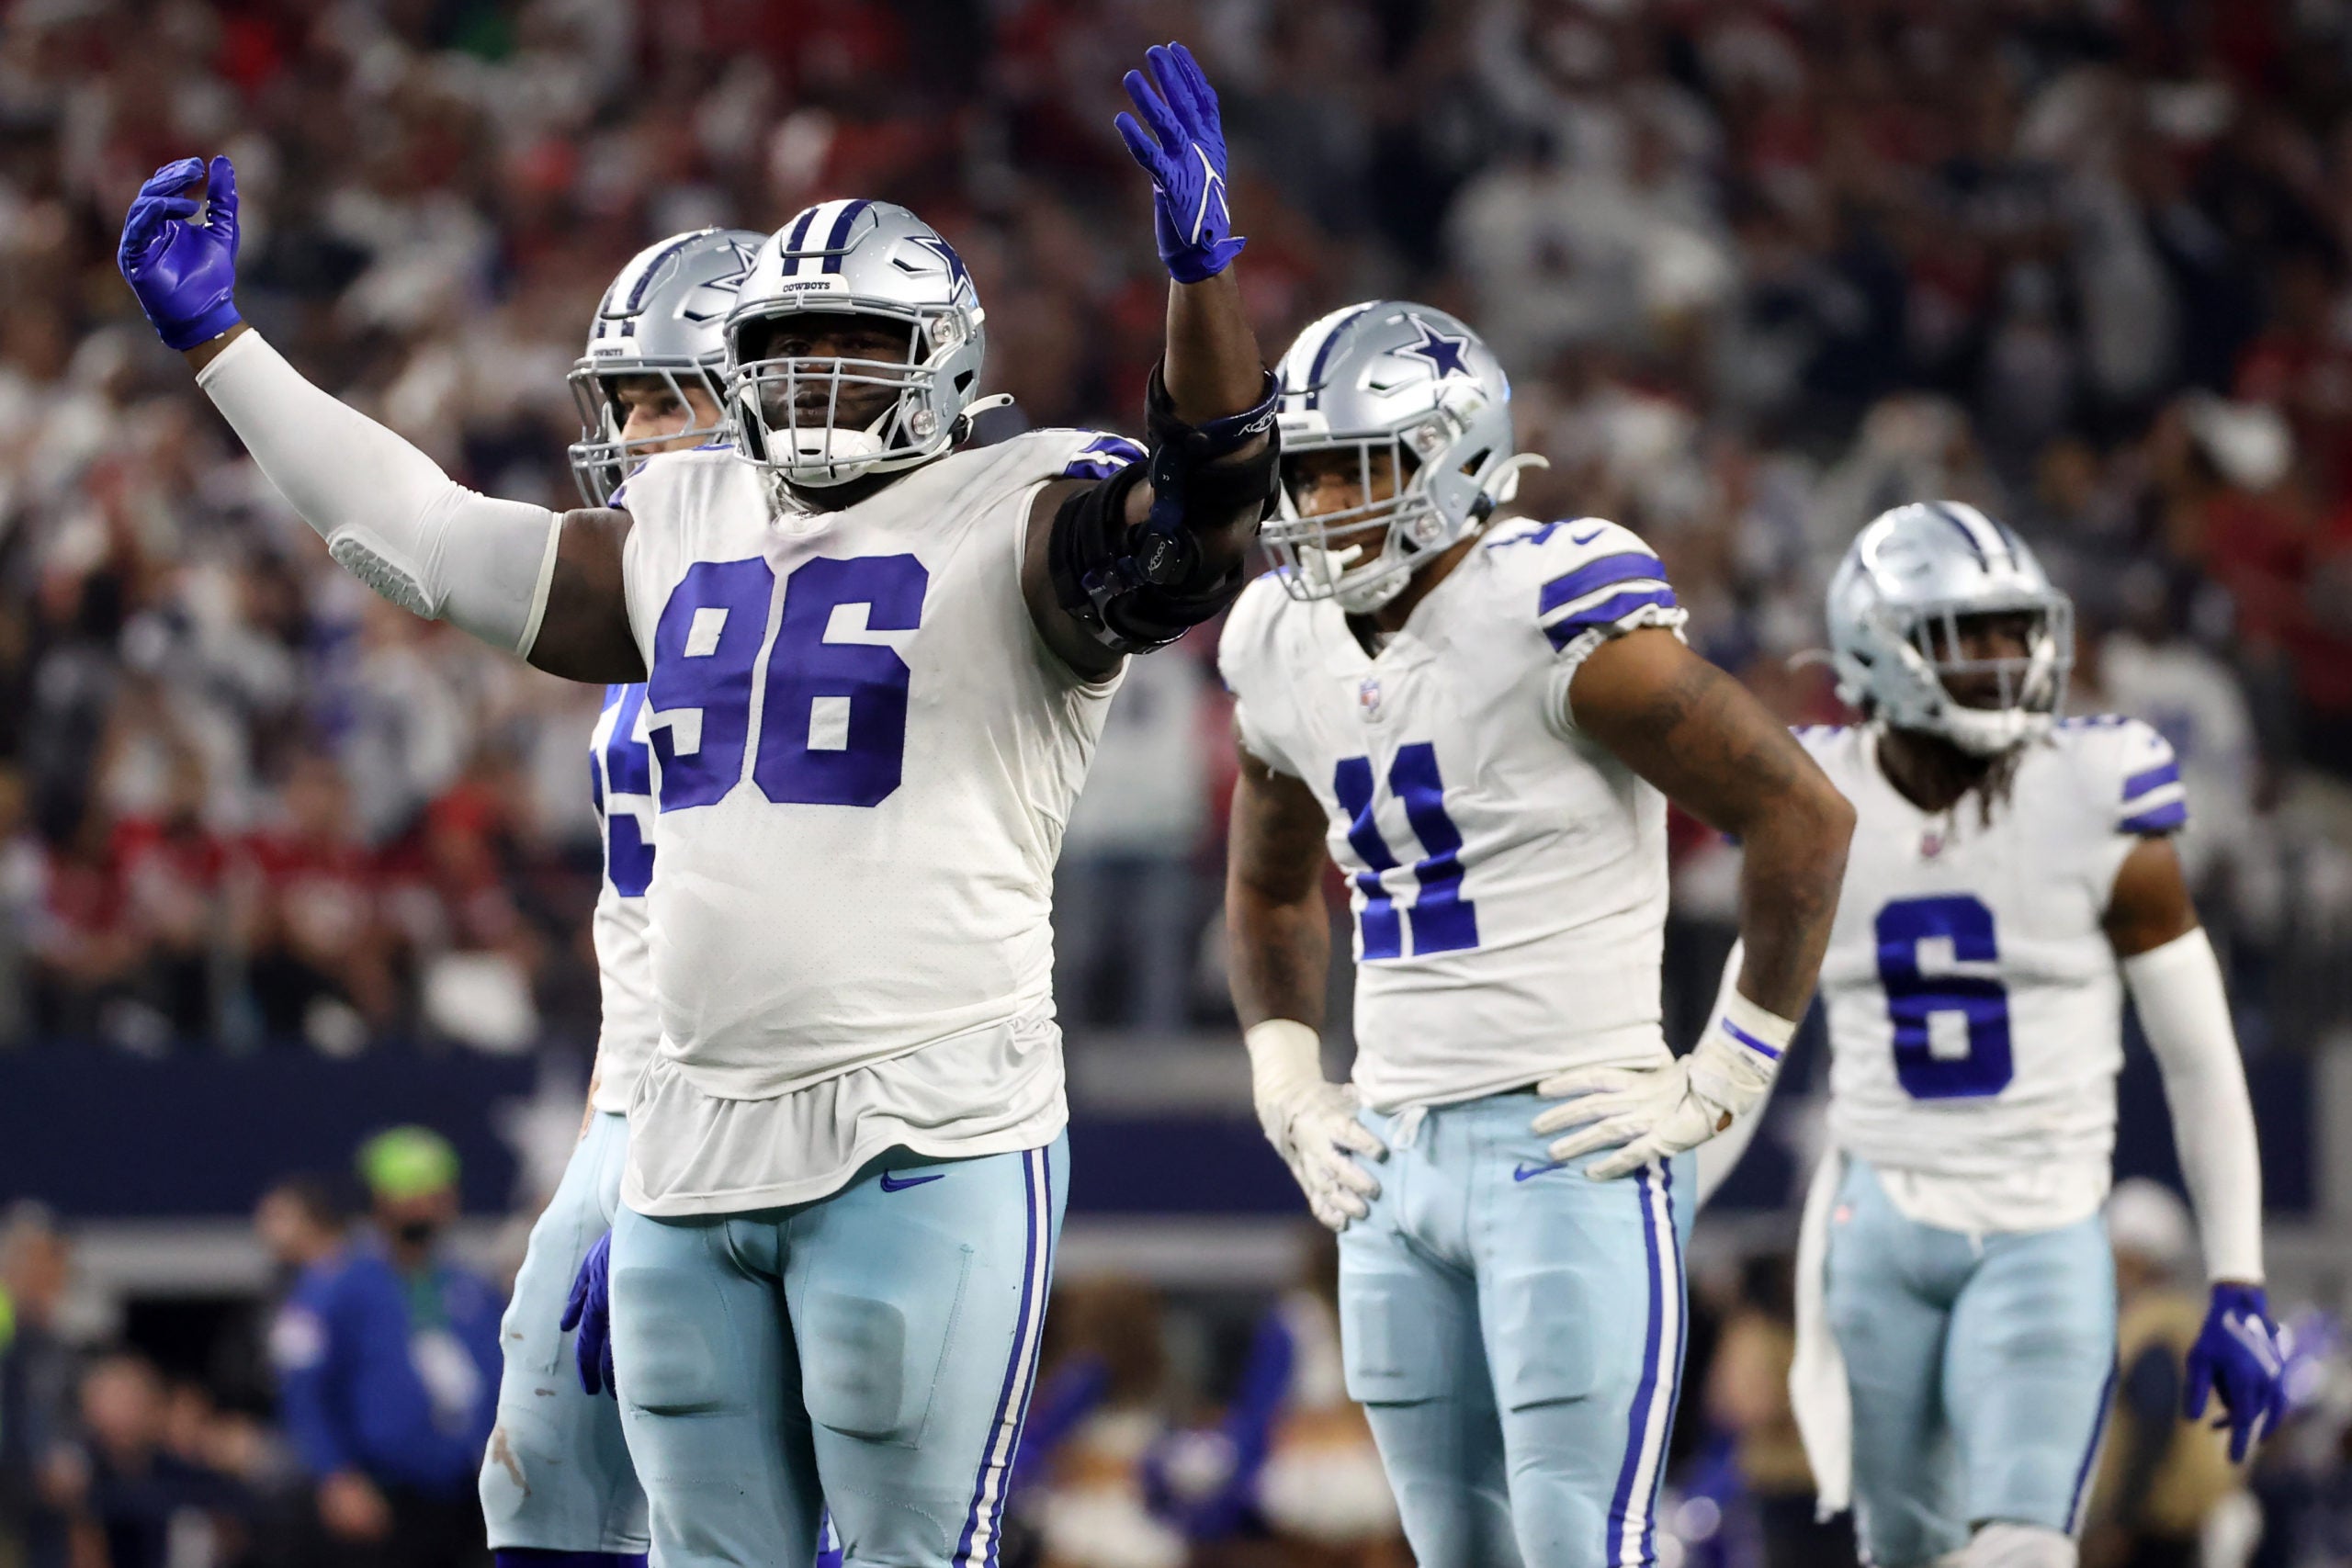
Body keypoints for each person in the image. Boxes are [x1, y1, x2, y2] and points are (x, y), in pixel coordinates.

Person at [123, 39, 1276, 1567]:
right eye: (794, 341)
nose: (819, 377)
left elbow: (1202, 505)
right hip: (686, 1140)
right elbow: (424, 538)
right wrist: (228, 352)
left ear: (942, 365)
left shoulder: (1028, 511)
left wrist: (1202, 278)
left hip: (922, 1127)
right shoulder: (686, 514)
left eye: (860, 346)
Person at [1218, 299, 1855, 1566]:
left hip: (1567, 1138)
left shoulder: (1552, 608)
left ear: (1459, 460)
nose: (1328, 499)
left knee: (1581, 1542)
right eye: (1310, 469)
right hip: (1390, 1160)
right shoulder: (1275, 638)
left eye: (1362, 464)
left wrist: (1729, 1069)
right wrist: (1288, 1077)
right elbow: (1272, 881)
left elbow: (1803, 815)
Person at [1705, 502, 2286, 1568]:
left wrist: (2240, 1277)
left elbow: (2200, 1057)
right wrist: (1648, 1225)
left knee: (2027, 1546)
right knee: (1905, 1552)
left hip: (2044, 1225)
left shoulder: (2096, 789)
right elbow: (1733, 1061)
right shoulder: (1811, 799)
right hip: (1874, 1228)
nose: (2006, 657)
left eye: (2015, 628)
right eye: (1965, 633)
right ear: (1876, 650)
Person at [475, 225, 763, 1568]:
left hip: (776, 1108)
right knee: (543, 1478)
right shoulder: (643, 616)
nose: (633, 432)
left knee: (771, 1492)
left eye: (664, 397)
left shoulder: (811, 610)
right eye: (626, 402)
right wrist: (612, 1141)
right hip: (645, 1088)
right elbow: (635, 933)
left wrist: (665, 1161)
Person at [257, 1134, 503, 1568]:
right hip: (381, 1496)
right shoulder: (335, 1287)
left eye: (437, 1193)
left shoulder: (469, 1287)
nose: (427, 1206)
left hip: (467, 1495)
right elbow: (304, 1388)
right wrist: (334, 1476)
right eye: (412, 1194)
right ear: (380, 1201)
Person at [2081, 1180, 2253, 1568]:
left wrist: (2120, 1521)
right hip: (2183, 1521)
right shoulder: (2185, 1320)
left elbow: (2154, 1418)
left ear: (2135, 1258)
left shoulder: (2153, 1328)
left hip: (2152, 1526)